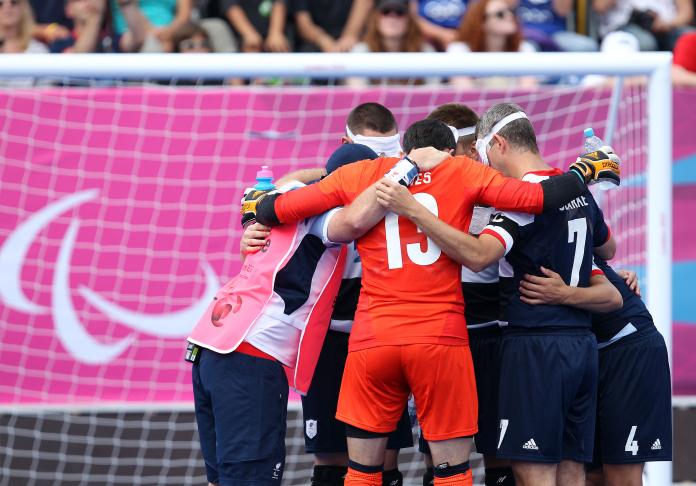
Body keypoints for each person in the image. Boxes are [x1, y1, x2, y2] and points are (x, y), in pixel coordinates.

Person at [251, 118, 620, 486]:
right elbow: (540, 198)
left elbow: (278, 208)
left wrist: (257, 211)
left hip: (373, 338)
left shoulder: (361, 174)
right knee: (451, 472)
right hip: (439, 338)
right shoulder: (462, 171)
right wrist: (584, 170)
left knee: (362, 473)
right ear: (447, 151)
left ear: (404, 150)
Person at [188, 145, 408, 486]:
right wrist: (407, 169)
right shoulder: (322, 215)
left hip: (211, 347)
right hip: (251, 356)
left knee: (224, 480)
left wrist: (328, 176)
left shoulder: (281, 196)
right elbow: (351, 221)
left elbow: (275, 185)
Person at [517, 260, 672, 486]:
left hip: (629, 349)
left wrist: (567, 292)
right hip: (588, 354)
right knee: (590, 475)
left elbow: (610, 273)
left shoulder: (554, 231)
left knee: (621, 478)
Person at [447, 0, 538, 89]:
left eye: (511, 11)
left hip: (515, 104)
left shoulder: (524, 48)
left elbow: (528, 92)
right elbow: (465, 94)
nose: (509, 16)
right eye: (500, 14)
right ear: (481, 21)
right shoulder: (459, 50)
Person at [348, 0, 438, 86]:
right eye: (386, 12)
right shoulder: (361, 52)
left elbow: (434, 93)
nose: (392, 17)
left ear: (409, 20)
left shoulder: (425, 51)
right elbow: (359, 96)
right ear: (376, 18)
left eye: (399, 12)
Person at [593, 0, 694, 51]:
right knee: (646, 44)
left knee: (691, 40)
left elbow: (686, 12)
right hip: (624, 26)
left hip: (667, 26)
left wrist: (669, 24)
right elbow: (600, 6)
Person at [509, 0, 598, 52]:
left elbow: (562, 11)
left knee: (586, 46)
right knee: (527, 47)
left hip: (554, 35)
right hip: (523, 33)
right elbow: (508, 5)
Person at [292, 0, 374, 53]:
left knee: (359, 52)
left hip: (352, 41)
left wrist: (349, 35)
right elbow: (303, 23)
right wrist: (324, 41)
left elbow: (365, 2)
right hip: (314, 43)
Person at [111, 0, 192, 52]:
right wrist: (153, 33)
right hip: (131, 31)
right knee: (149, 45)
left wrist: (168, 32)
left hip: (171, 34)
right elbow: (128, 5)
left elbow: (184, 15)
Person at [221, 0, 290, 52]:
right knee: (251, 47)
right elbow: (231, 7)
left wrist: (276, 33)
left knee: (279, 46)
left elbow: (279, 3)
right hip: (240, 36)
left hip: (273, 35)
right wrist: (249, 34)